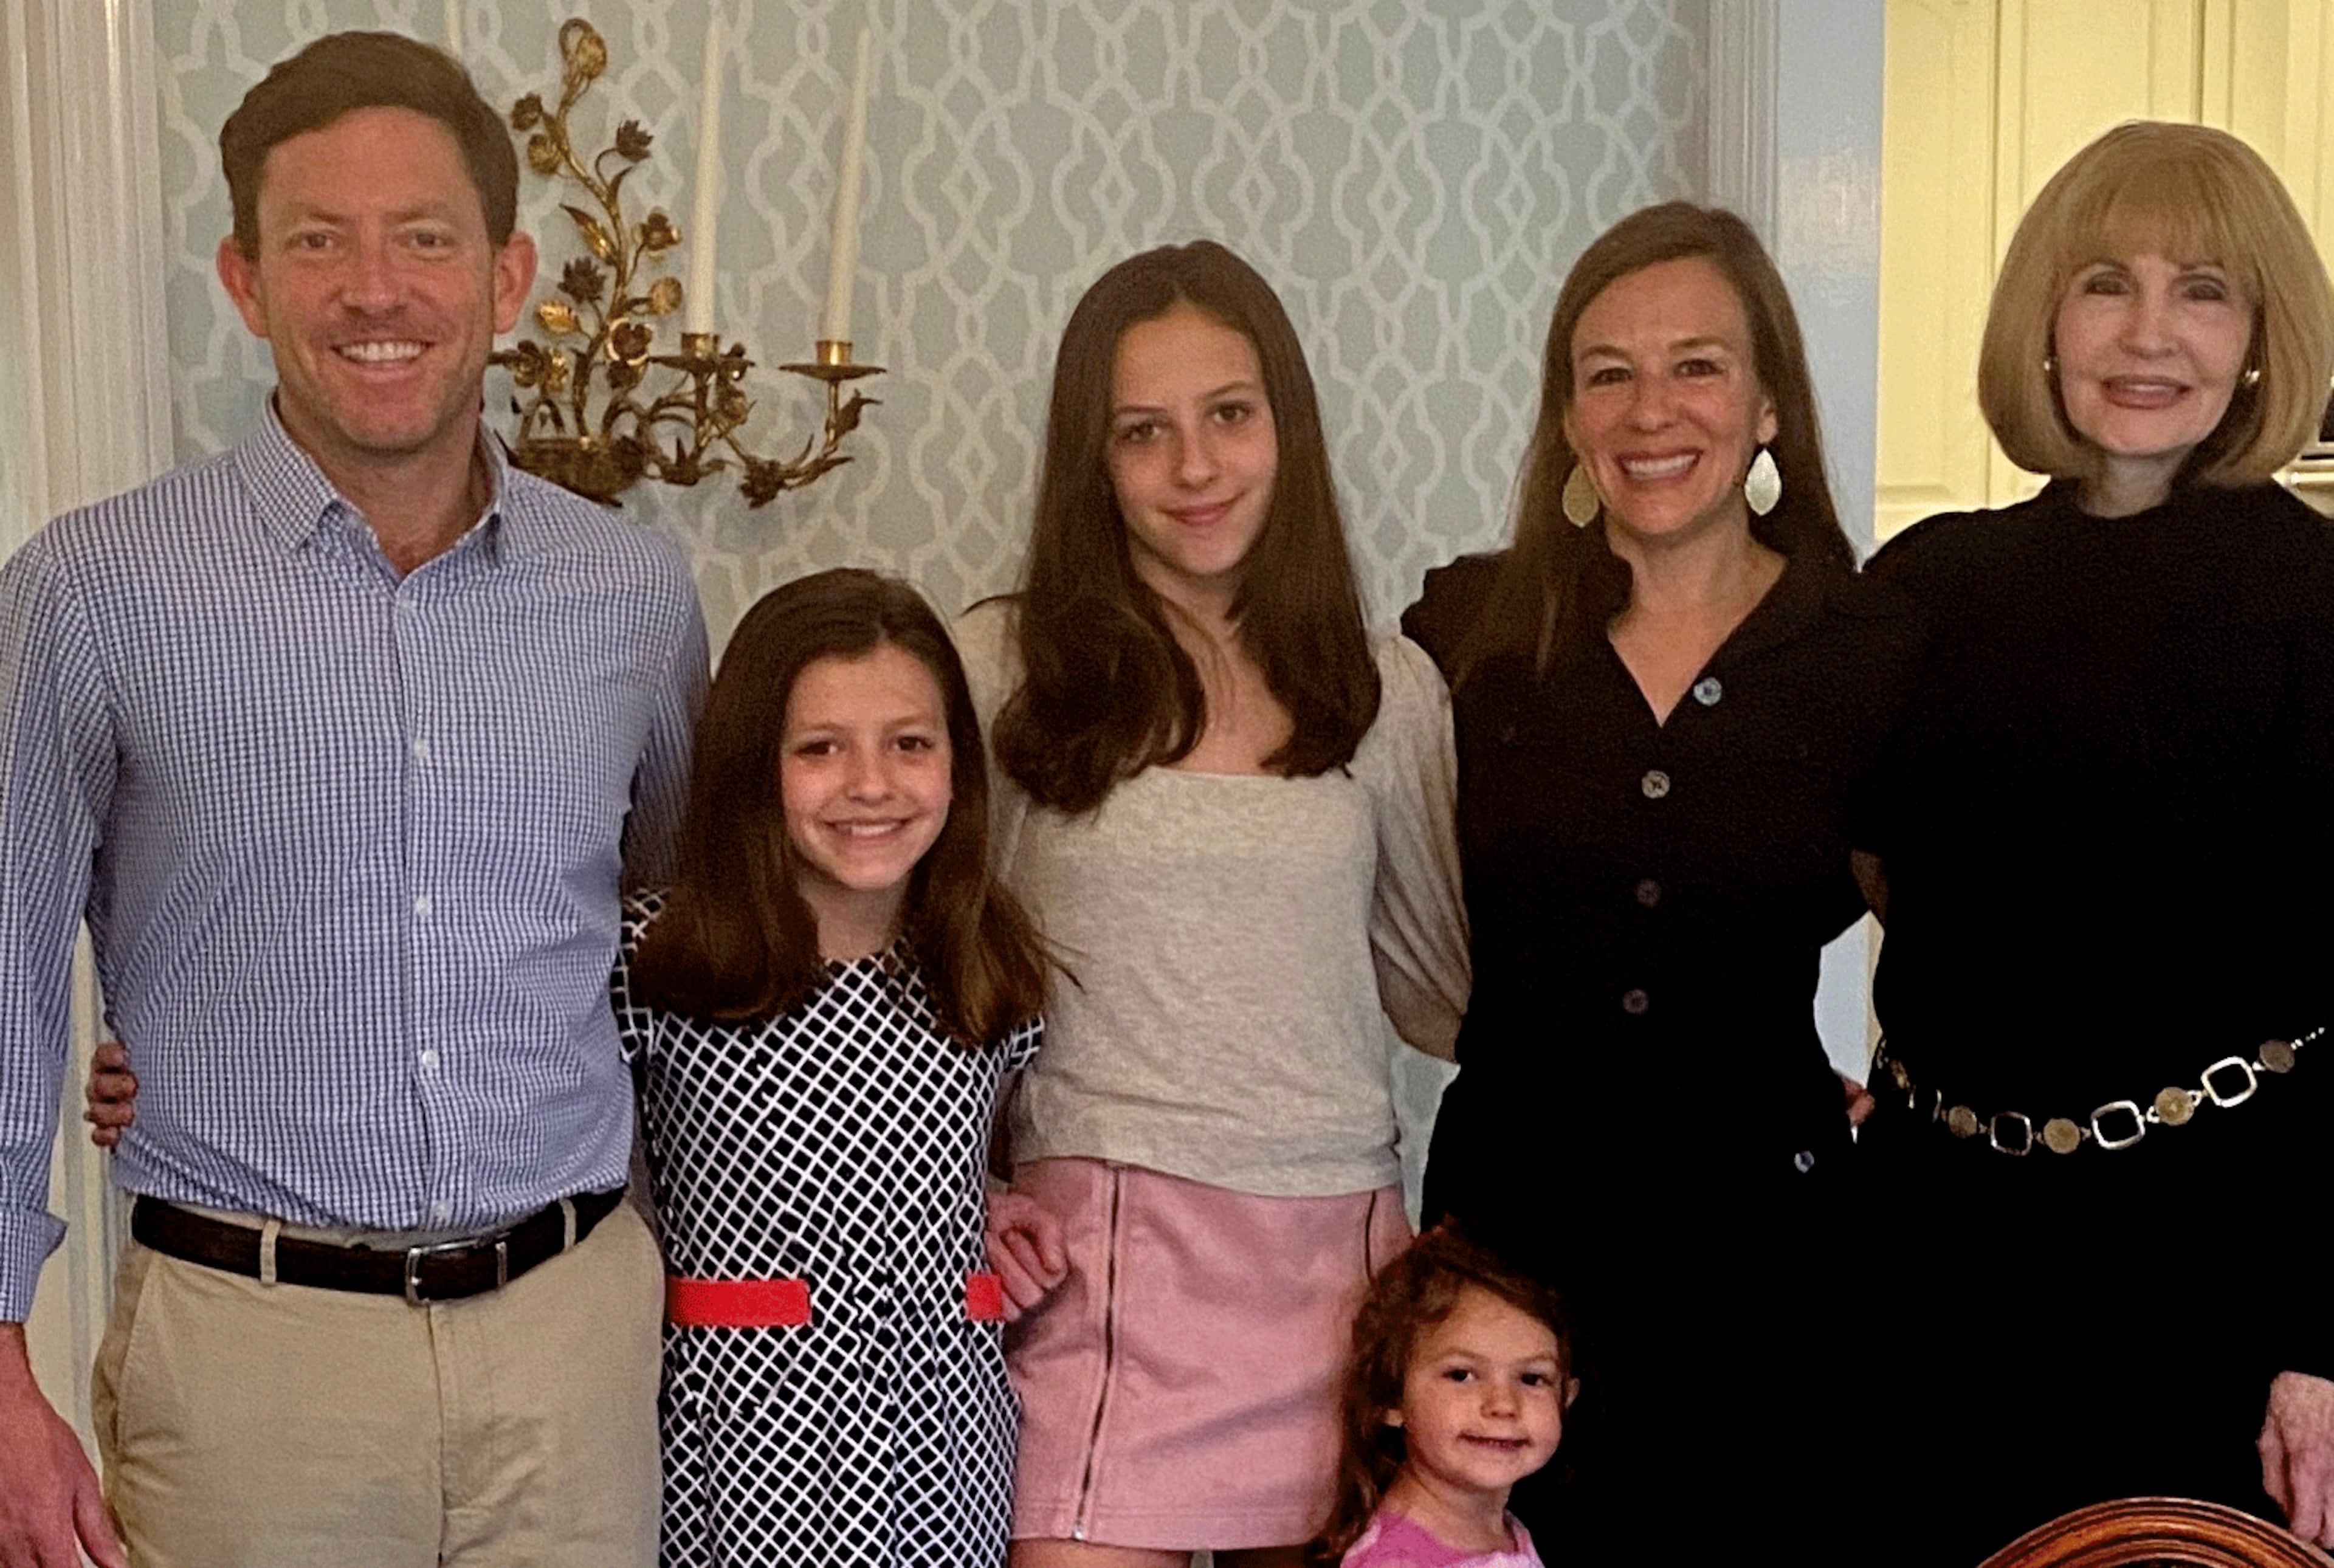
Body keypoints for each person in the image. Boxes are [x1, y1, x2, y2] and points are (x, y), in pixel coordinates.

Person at [0, 31, 705, 1567]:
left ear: (509, 279)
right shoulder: (90, 591)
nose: (375, 291)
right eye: (319, 242)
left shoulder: (635, 598)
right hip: (250, 1364)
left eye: (425, 240)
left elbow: (679, 938)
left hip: (570, 1350)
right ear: (245, 281)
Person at [1400, 202, 1918, 1559]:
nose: (1650, 410)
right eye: (1606, 371)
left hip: (1771, 1255)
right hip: (1510, 1260)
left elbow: (1981, 930)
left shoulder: (1869, 647)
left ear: (1765, 406)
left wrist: (1903, 1087)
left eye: (1696, 365)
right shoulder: (1467, 633)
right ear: (1568, 418)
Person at [1854, 121, 2334, 1561]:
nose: (2145, 332)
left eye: (2200, 288)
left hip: (2213, 1273)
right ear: (2040, 322)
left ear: (2258, 337)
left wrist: (2321, 1341)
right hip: (1928, 1251)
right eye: (2101, 284)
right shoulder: (1930, 583)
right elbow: (1842, 868)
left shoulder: (2316, 594)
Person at [954, 239, 1472, 1567]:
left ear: (1285, 427)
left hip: (1338, 1269)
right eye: (1145, 433)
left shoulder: (1387, 686)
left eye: (1230, 417)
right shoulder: (998, 667)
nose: (1195, 469)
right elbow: (927, 975)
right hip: (1095, 1265)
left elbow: (1444, 995)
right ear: (1095, 460)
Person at [613, 568, 1052, 1568]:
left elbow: (1000, 1165)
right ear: (753, 766)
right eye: (821, 750)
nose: (870, 785)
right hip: (738, 1446)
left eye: (910, 744)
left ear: (956, 763)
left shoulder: (990, 965)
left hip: (947, 1446)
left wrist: (994, 1200)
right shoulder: (661, 963)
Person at [1309, 1225, 1575, 1568]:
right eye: (1461, 1375)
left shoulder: (1498, 1528)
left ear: (1566, 1397)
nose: (1504, 1405)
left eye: (1531, 1378)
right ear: (1392, 1394)